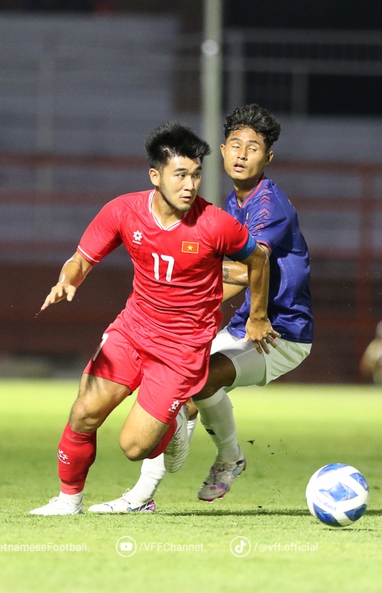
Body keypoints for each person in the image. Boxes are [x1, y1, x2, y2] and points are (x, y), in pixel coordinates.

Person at [30, 122, 277, 515]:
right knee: (84, 411)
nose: (190, 185)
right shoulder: (124, 210)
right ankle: (68, 500)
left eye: (196, 174)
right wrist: (67, 280)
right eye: (180, 174)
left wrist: (258, 315)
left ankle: (172, 422)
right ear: (155, 175)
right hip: (133, 331)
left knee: (134, 448)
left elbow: (258, 259)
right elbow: (82, 259)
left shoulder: (215, 224)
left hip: (181, 349)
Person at [89, 103, 314, 513]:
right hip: (247, 326)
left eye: (254, 147)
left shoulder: (268, 207)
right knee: (185, 385)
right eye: (235, 145)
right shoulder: (232, 202)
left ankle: (186, 476)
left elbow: (250, 268)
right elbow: (223, 278)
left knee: (194, 382)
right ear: (224, 150)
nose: (243, 154)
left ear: (268, 157)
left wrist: (253, 313)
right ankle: (216, 458)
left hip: (282, 332)